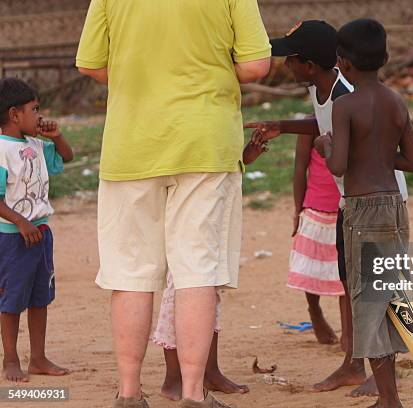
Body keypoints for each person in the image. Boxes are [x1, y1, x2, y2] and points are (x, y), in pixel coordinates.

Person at [76, 0, 271, 406]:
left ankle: (129, 393)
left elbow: (90, 65)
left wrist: (144, 79)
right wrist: (210, 72)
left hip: (132, 144)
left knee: (130, 273)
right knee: (197, 271)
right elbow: (255, 66)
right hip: (204, 140)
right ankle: (194, 394)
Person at [245, 20, 409, 397]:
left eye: (290, 59)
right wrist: (282, 126)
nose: (285, 65)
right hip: (349, 202)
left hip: (378, 202)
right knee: (353, 285)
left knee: (380, 288)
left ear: (309, 64)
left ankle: (385, 374)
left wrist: (324, 150)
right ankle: (355, 363)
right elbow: (322, 122)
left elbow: (348, 151)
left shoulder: (348, 94)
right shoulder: (323, 90)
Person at [314, 19, 413, 408]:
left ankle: (389, 400)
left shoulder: (344, 106)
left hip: (361, 209)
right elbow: (412, 161)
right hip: (394, 207)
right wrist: (377, 153)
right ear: (385, 58)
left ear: (341, 63)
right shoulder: (396, 101)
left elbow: (338, 166)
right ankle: (389, 396)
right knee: (391, 293)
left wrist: (326, 147)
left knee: (367, 299)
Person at [152, 141, 268, 401]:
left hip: (215, 185)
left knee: (207, 284)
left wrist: (242, 156)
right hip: (189, 185)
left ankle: (209, 371)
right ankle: (174, 377)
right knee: (186, 284)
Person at [0, 78, 73, 382]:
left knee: (40, 298)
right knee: (11, 300)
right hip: (13, 239)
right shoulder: (2, 150)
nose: (40, 116)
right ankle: (11, 359)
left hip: (41, 234)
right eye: (35, 109)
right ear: (15, 114)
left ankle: (38, 358)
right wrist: (20, 221)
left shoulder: (37, 145)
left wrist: (56, 137)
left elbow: (67, 157)